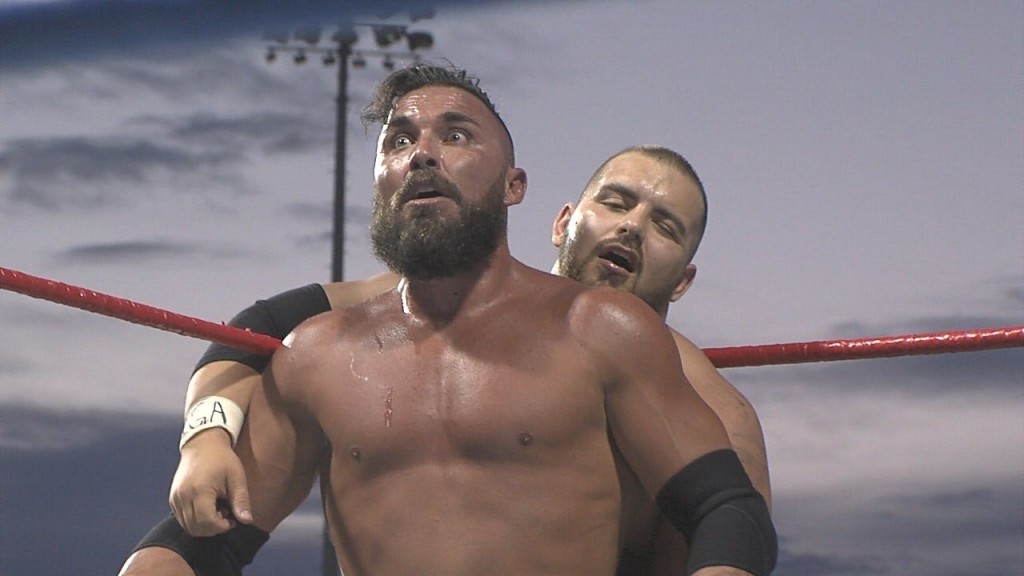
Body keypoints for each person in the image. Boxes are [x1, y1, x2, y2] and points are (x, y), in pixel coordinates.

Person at [120, 64, 775, 576]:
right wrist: (204, 438)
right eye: (400, 140)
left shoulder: (613, 333)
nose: (422, 154)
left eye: (455, 136)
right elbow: (198, 543)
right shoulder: (317, 352)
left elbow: (731, 513)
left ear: (514, 186)